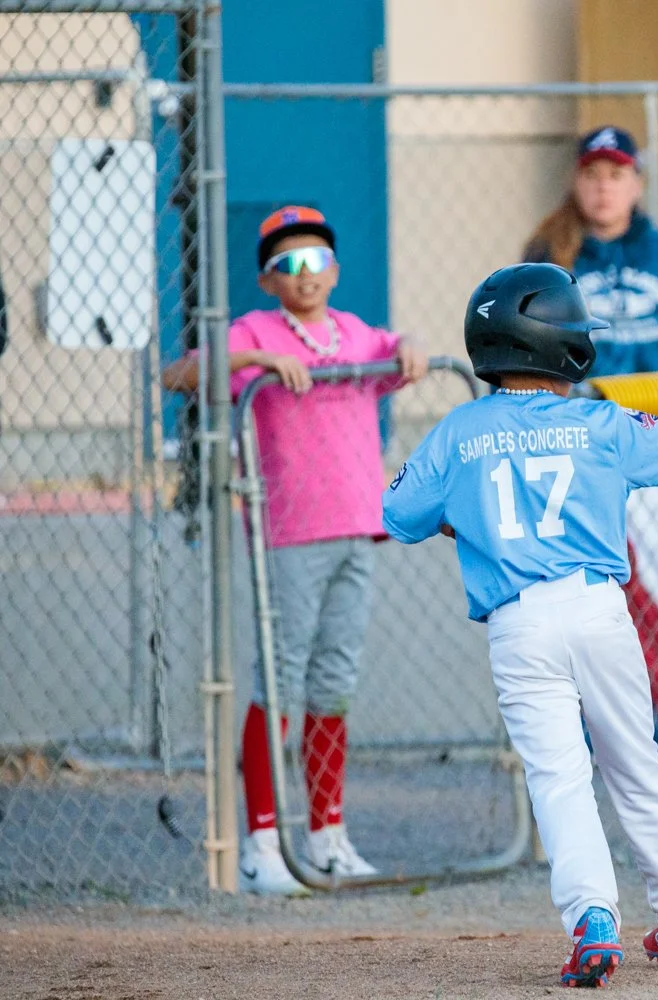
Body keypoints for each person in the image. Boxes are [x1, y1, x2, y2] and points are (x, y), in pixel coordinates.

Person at [382, 263, 658, 988]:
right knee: (635, 764)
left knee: (559, 776)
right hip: (597, 610)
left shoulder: (459, 430)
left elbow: (400, 514)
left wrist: (464, 519)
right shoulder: (598, 421)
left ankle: (592, 919)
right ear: (562, 346)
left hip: (519, 623)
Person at [162, 206, 429, 895]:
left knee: (334, 680)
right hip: (289, 534)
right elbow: (179, 374)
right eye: (288, 265)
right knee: (278, 678)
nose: (305, 275)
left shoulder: (356, 332)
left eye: (316, 261)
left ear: (335, 271)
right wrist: (256, 361)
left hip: (356, 527)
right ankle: (261, 845)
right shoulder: (254, 332)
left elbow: (399, 350)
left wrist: (411, 346)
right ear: (267, 280)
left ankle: (327, 836)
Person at [522, 125, 658, 377]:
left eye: (616, 175)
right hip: (586, 400)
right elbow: (521, 341)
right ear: (576, 183)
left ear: (637, 185)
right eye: (591, 175)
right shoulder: (548, 254)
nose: (603, 187)